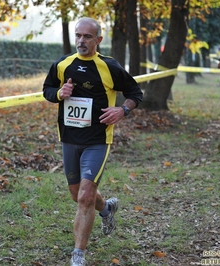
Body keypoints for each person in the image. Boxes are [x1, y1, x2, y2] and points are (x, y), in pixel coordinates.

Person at [42, 17, 143, 266]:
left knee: (86, 196)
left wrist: (122, 111)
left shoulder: (110, 67)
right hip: (69, 138)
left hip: (98, 140)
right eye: (78, 35)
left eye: (87, 36)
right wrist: (58, 94)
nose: (81, 41)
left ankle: (78, 254)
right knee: (77, 195)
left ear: (98, 40)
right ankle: (106, 209)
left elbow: (135, 93)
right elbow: (47, 89)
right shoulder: (63, 64)